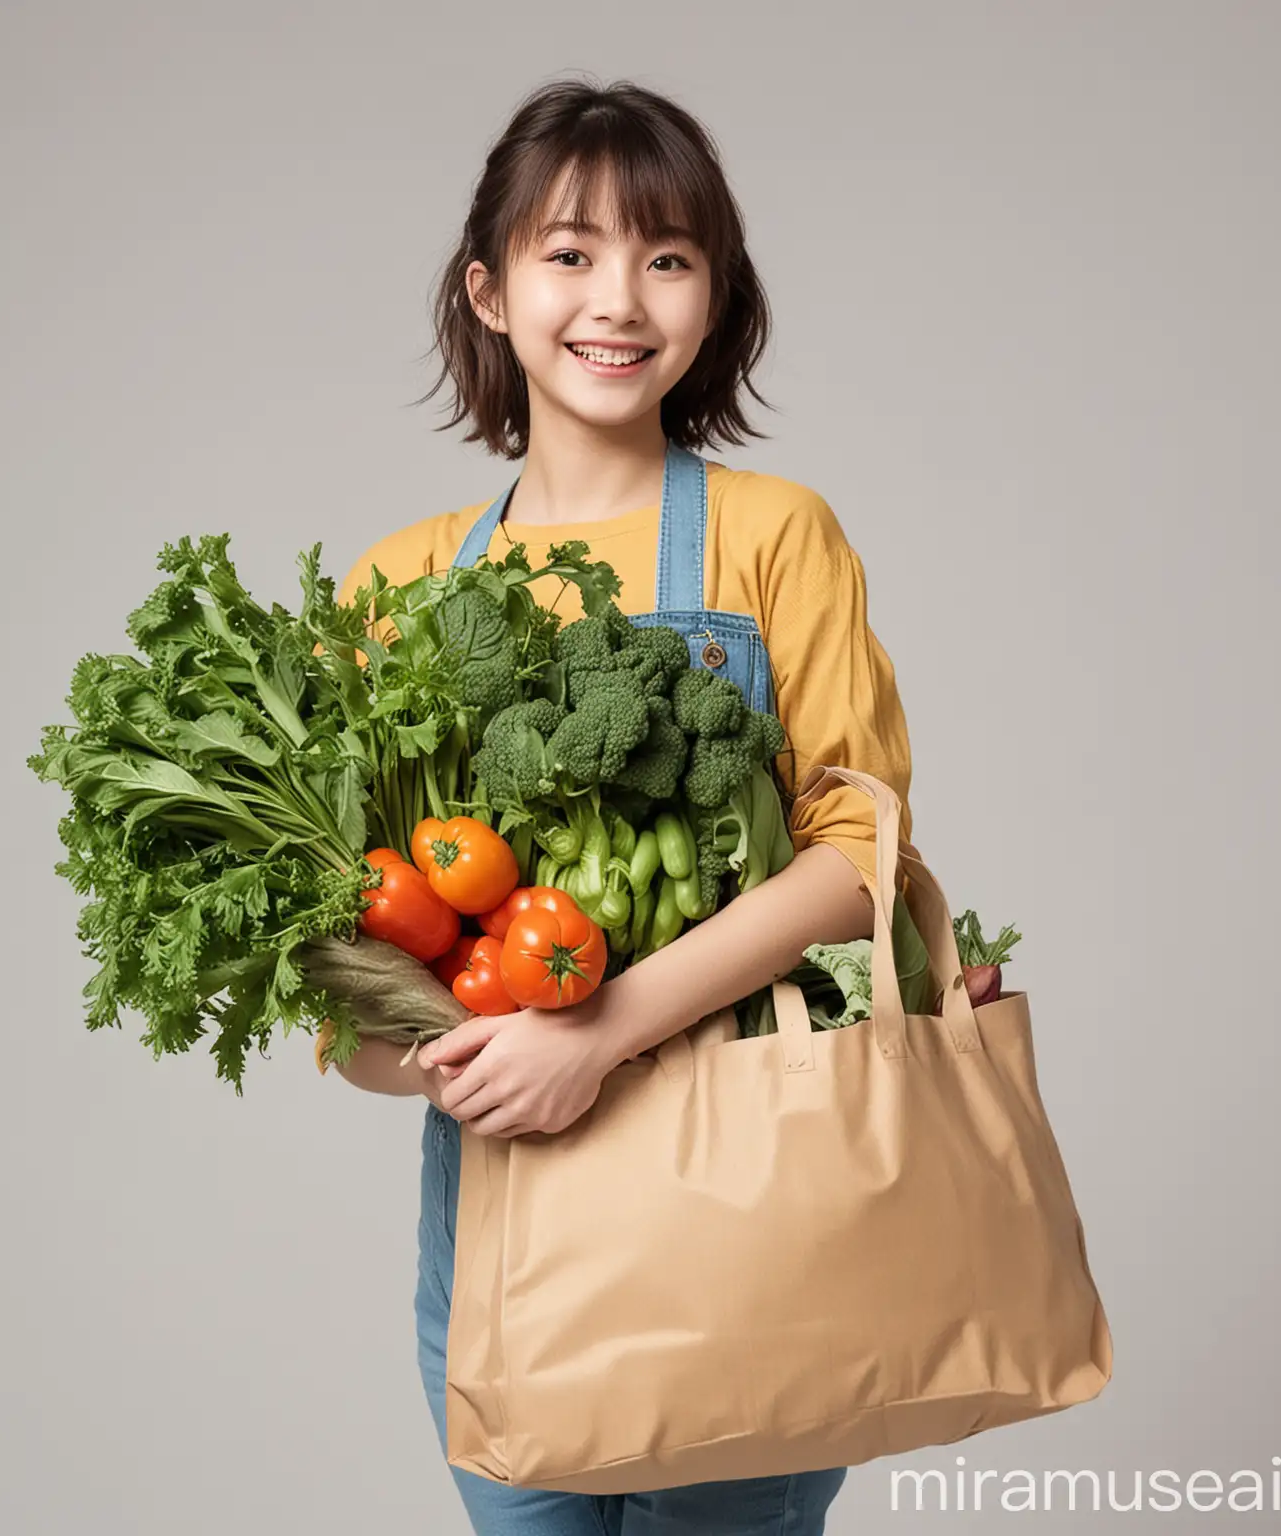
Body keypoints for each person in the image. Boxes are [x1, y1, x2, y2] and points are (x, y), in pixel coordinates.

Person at [325, 76, 915, 1536]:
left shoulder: (777, 537)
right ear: (489, 288)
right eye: (570, 252)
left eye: (667, 257)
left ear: (714, 299)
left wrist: (598, 1028)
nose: (619, 299)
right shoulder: (395, 589)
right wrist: (460, 1060)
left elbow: (857, 859)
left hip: (753, 1196)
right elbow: (351, 995)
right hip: (500, 1214)